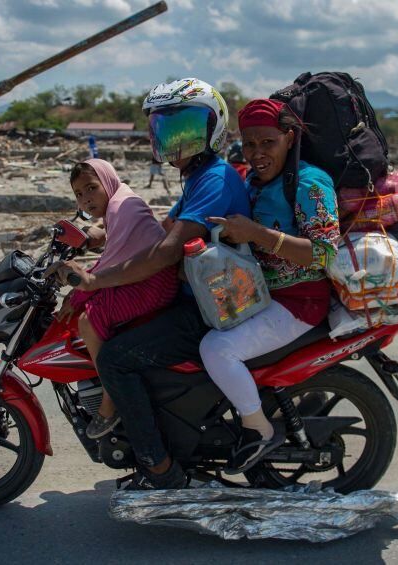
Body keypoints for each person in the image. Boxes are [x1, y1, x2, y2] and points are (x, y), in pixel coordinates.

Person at [61, 78, 251, 489]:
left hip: (209, 307)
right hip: (202, 297)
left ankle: (159, 467)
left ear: (211, 127)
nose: (175, 139)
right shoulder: (199, 179)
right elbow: (160, 231)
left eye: (185, 127)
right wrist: (101, 238)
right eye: (166, 129)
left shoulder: (214, 179)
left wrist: (96, 280)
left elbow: (165, 252)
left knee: (113, 358)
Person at [200, 98, 340, 473]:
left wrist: (257, 234)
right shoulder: (253, 179)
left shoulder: (310, 183)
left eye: (268, 143)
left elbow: (325, 254)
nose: (257, 153)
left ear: (289, 138)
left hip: (298, 302)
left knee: (217, 350)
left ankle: (259, 430)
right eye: (249, 144)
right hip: (257, 293)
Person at [51, 158, 179, 439]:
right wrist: (94, 237)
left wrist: (79, 291)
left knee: (88, 319)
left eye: (91, 188)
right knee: (87, 300)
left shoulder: (123, 207)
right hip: (147, 275)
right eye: (79, 194)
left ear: (107, 181)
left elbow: (111, 263)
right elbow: (119, 244)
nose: (86, 199)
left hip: (152, 282)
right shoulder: (120, 203)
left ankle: (111, 397)